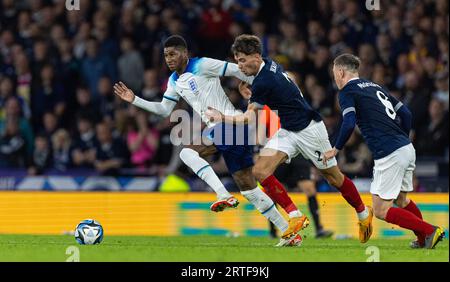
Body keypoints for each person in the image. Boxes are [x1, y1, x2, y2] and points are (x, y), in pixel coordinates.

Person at [114, 35, 301, 246]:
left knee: (187, 152)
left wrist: (266, 87)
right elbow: (164, 109)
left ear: (185, 53)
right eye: (166, 55)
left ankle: (222, 194)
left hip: (229, 125)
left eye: (173, 54)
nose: (169, 59)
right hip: (228, 131)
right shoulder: (174, 81)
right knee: (249, 189)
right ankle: (289, 233)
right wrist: (135, 100)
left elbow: (237, 70)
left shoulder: (203, 64)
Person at [206, 35, 373, 243]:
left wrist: (221, 117)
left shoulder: (263, 80)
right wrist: (251, 94)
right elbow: (272, 93)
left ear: (256, 56)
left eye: (241, 60)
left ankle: (363, 212)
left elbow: (248, 118)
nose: (238, 66)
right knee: (260, 170)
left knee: (334, 178)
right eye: (236, 61)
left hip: (310, 130)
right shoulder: (269, 64)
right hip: (287, 131)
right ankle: (295, 215)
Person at [323, 53, 445, 249]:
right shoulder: (374, 86)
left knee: (380, 210)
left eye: (334, 73)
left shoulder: (347, 92)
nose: (335, 78)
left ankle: (430, 230)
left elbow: (348, 122)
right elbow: (405, 112)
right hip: (405, 148)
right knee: (402, 199)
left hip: (389, 153)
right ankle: (423, 240)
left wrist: (336, 148)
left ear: (340, 71)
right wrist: (402, 138)